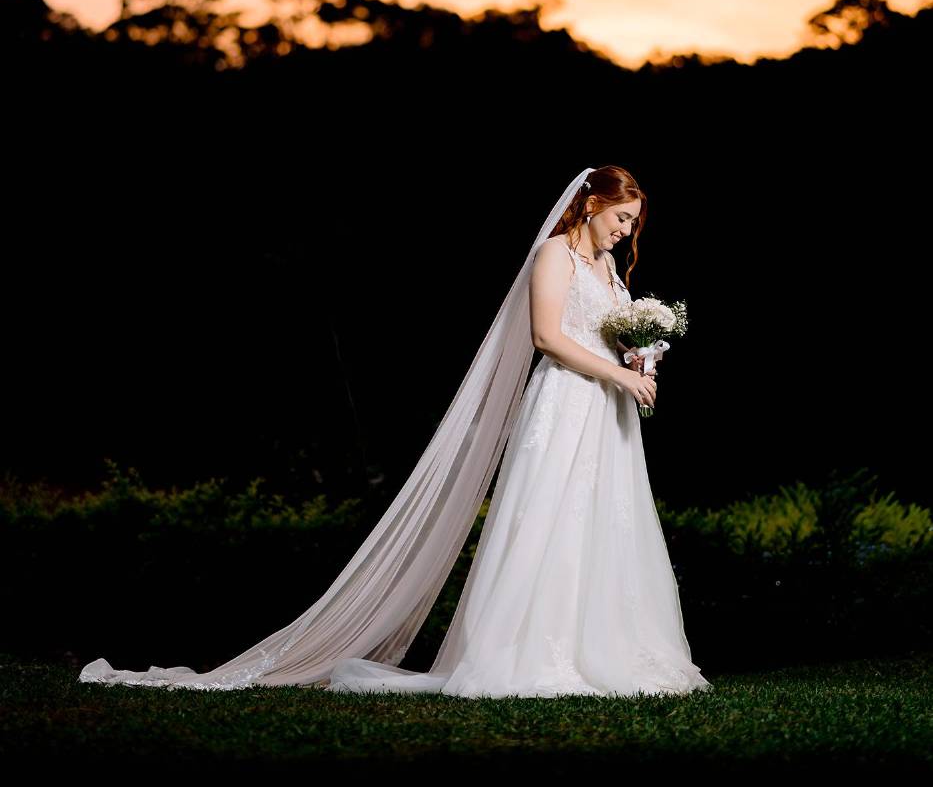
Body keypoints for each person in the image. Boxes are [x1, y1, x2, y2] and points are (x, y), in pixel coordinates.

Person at [79, 165, 712, 697]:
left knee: (606, 519)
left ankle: (609, 644)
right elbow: (547, 336)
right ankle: (530, 650)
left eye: (630, 223)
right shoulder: (554, 255)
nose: (626, 232)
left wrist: (638, 361)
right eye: (621, 218)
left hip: (607, 410)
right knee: (550, 519)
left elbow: (605, 331)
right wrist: (617, 373)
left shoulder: (607, 270)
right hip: (567, 403)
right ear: (593, 203)